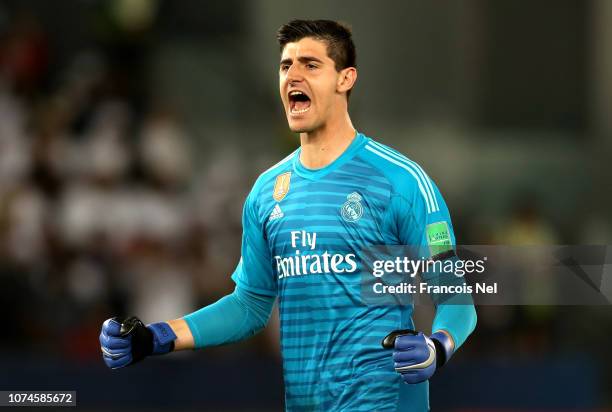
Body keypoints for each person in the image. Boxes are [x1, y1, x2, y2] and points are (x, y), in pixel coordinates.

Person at [99, 19, 477, 411]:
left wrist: (437, 347)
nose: (293, 75)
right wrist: (157, 336)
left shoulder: (401, 181)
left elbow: (456, 294)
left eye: (310, 65)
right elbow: (248, 306)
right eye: (286, 65)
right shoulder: (266, 192)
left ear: (345, 79)